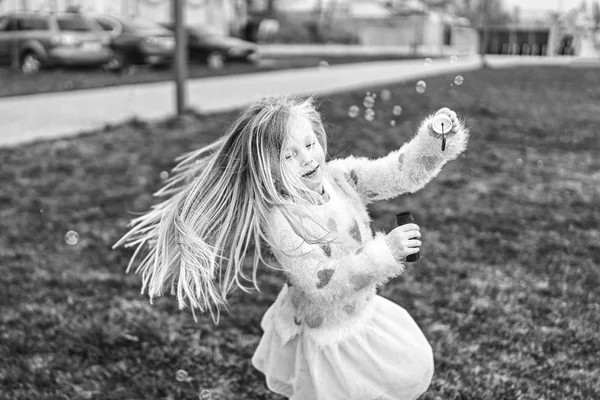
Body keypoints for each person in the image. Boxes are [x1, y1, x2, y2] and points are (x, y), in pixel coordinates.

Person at [113, 96, 469, 400]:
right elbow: (322, 286)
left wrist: (433, 144)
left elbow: (399, 173)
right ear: (265, 168)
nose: (308, 159)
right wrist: (384, 254)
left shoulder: (340, 177)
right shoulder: (283, 221)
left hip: (361, 314)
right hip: (328, 335)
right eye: (288, 156)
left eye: (310, 144)